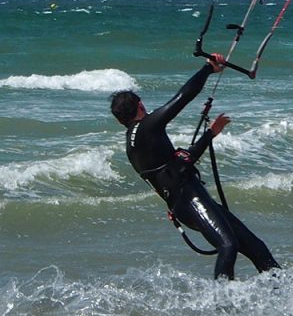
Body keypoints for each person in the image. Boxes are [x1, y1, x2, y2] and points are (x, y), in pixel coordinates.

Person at [110, 54, 281, 280]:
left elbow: (177, 167)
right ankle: (222, 307)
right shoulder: (147, 127)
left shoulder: (133, 144)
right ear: (140, 105)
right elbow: (183, 96)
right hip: (188, 200)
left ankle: (292, 301)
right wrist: (208, 68)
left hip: (189, 199)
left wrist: (209, 134)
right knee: (228, 246)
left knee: (256, 247)